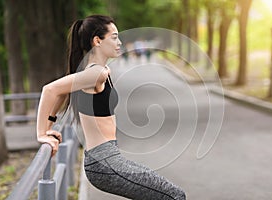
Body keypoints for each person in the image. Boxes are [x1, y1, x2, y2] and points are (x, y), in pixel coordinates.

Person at [36, 14, 186, 200]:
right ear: (97, 41)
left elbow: (61, 92)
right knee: (175, 196)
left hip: (109, 159)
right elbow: (50, 90)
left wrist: (50, 124)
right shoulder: (95, 73)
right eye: (114, 37)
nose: (120, 42)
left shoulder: (99, 71)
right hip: (105, 163)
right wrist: (42, 132)